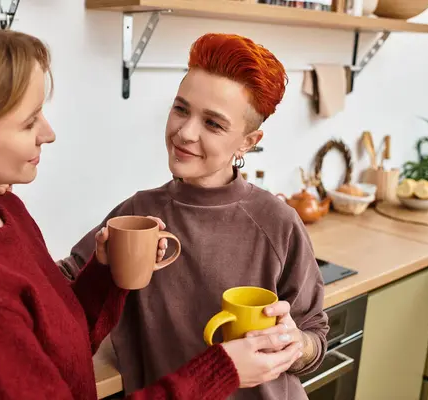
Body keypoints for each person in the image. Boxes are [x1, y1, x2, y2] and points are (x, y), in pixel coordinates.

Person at [0, 19, 304, 400]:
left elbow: (57, 339)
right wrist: (220, 370)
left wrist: (104, 275)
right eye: (30, 121)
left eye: (212, 122)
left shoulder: (6, 212)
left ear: (249, 142)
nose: (48, 133)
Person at [57, 33, 330, 399]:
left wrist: (297, 343)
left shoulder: (277, 222)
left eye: (213, 124)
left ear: (248, 142)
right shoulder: (139, 214)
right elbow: (65, 287)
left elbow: (313, 334)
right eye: (181, 109)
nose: (185, 132)